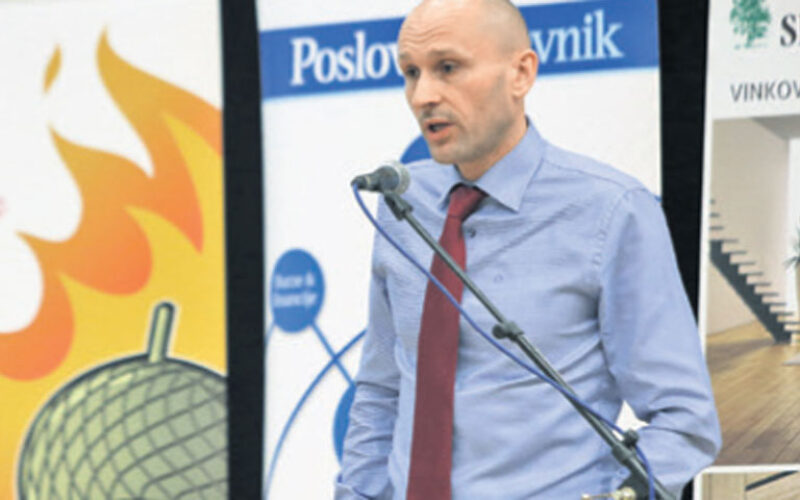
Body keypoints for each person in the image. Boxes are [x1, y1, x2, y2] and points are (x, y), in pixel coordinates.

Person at [335, 0, 721, 498]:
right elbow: (382, 389)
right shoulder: (402, 203)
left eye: (447, 68)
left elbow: (685, 418)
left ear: (520, 73)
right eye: (411, 73)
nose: (423, 95)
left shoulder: (611, 210)